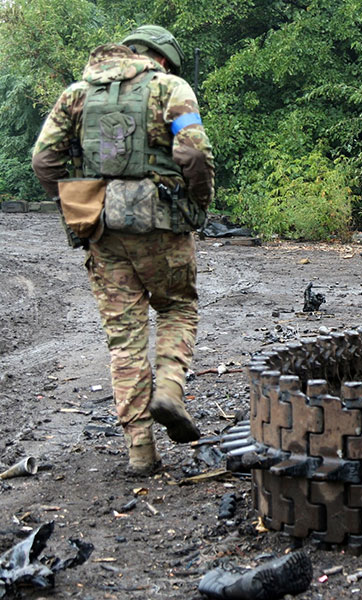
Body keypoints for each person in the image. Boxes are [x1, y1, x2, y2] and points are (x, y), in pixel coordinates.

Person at [31, 25, 215, 475]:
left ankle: (140, 452)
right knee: (176, 307)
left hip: (102, 229)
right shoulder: (170, 87)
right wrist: (199, 202)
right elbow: (193, 154)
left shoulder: (77, 94)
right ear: (162, 58)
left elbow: (43, 160)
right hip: (162, 225)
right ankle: (169, 389)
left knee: (124, 339)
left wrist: (73, 199)